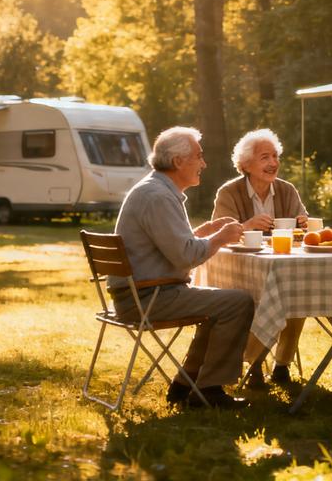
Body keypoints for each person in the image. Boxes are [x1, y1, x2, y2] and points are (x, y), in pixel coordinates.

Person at [112, 126, 253, 409]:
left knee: (221, 303)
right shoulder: (158, 197)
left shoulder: (156, 190)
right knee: (239, 303)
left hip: (141, 294)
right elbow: (185, 256)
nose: (204, 163)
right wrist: (220, 238)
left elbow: (169, 246)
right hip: (147, 298)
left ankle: (186, 383)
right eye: (199, 157)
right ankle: (210, 390)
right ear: (178, 161)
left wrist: (202, 233)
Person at [212, 129, 308, 387]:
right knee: (250, 300)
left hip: (282, 266)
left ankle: (281, 365)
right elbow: (218, 235)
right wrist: (248, 225)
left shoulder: (287, 190)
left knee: (297, 298)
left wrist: (303, 224)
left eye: (275, 156)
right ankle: (254, 364)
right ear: (245, 164)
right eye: (265, 157)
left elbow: (304, 227)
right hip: (242, 270)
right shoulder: (228, 193)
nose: (273, 163)